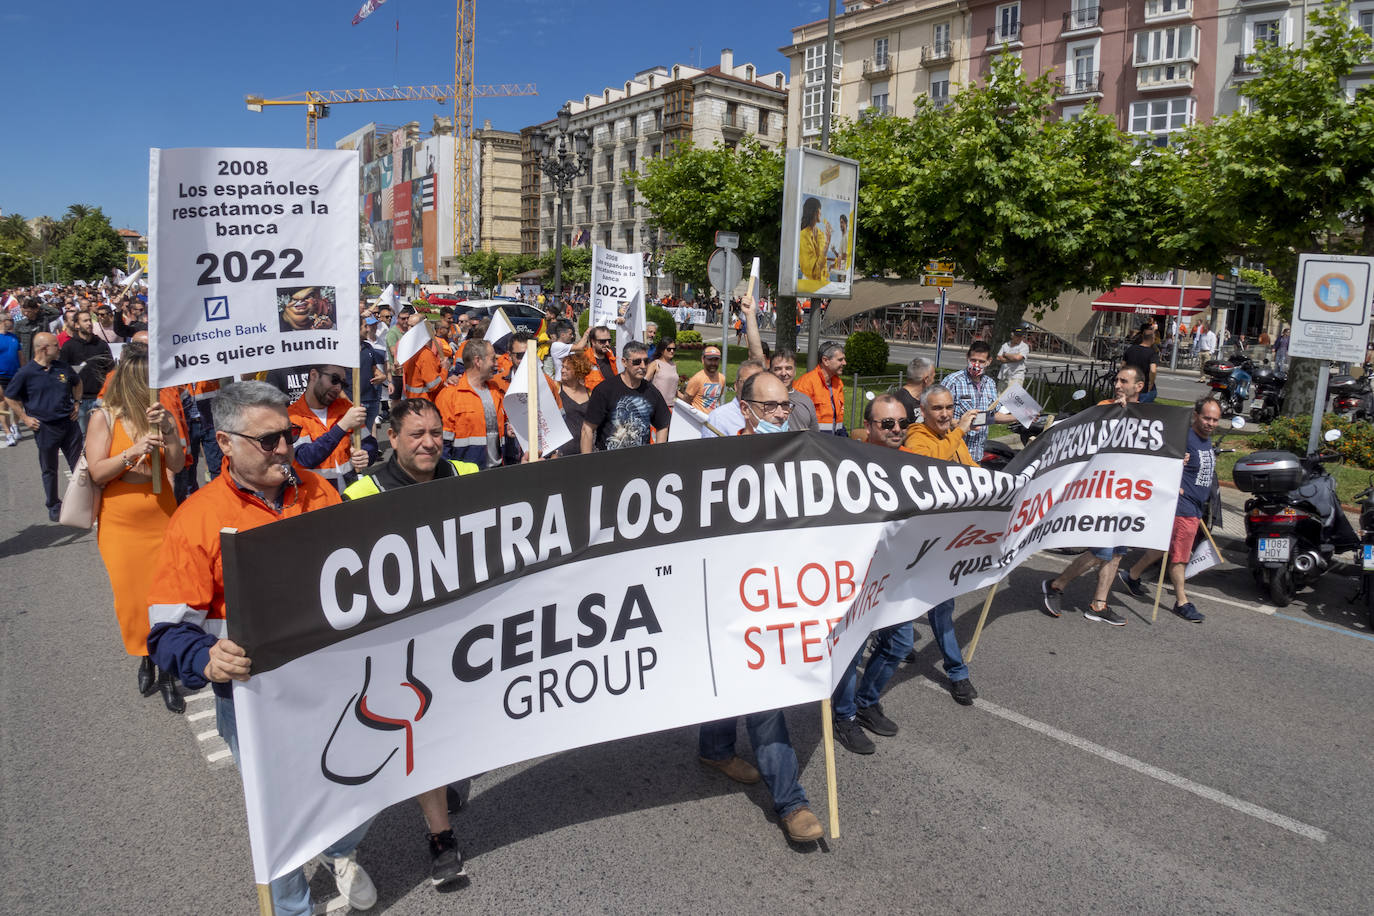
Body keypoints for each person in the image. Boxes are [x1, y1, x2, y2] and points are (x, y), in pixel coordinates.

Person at [146, 382, 378, 915]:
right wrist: (206, 658)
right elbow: (166, 630)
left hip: (334, 677)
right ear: (224, 444)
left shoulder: (320, 491)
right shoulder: (196, 518)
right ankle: (293, 905)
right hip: (252, 693)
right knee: (275, 807)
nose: (284, 449)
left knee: (365, 770)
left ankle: (337, 848)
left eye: (289, 435)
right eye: (268, 439)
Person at [342, 399, 477, 886]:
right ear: (392, 439)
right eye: (417, 434)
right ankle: (441, 836)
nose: (429, 442)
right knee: (421, 730)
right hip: (403, 642)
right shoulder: (362, 492)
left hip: (464, 629)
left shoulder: (466, 473)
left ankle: (446, 776)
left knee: (458, 721)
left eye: (436, 432)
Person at [698, 369, 824, 844]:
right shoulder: (719, 457)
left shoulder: (800, 454)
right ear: (745, 407)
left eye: (784, 405)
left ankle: (715, 749)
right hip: (728, 594)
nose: (778, 414)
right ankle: (791, 802)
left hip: (774, 595)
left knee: (741, 682)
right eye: (769, 406)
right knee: (756, 692)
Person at [83, 349, 184, 711]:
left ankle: (169, 669)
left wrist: (169, 431)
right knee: (133, 600)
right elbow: (97, 471)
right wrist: (134, 451)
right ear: (132, 382)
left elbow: (176, 464)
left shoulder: (161, 416)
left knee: (167, 598)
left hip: (162, 516)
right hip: (121, 525)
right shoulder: (104, 417)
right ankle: (146, 657)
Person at [830, 395, 920, 753]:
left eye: (902, 423)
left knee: (900, 643)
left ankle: (865, 702)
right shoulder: (848, 465)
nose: (896, 429)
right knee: (850, 653)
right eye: (887, 424)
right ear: (869, 426)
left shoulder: (914, 464)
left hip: (895, 574)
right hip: (858, 579)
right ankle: (844, 716)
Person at [1039, 365, 1147, 627]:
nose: (1118, 385)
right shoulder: (1105, 406)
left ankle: (1099, 605)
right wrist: (1116, 412)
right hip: (1102, 491)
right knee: (1102, 551)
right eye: (1117, 380)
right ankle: (1056, 585)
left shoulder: (1146, 413)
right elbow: (1091, 439)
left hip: (1127, 491)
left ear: (1139, 387)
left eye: (1124, 381)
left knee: (1118, 551)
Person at [901, 385, 982, 705]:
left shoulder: (952, 437)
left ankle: (954, 670)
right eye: (938, 409)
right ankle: (957, 671)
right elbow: (929, 466)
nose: (946, 414)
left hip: (948, 538)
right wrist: (959, 432)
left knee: (940, 605)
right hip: (920, 538)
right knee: (916, 599)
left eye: (949, 407)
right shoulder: (917, 436)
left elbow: (971, 472)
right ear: (923, 411)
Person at [1117, 398, 1221, 623]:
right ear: (1195, 415)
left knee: (1163, 547)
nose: (1210, 423)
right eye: (1206, 418)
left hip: (1195, 506)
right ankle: (1182, 601)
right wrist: (1175, 476)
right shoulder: (1185, 438)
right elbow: (1160, 459)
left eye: (1215, 419)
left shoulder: (1206, 440)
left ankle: (1132, 575)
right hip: (1182, 507)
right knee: (1180, 556)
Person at [4, 332, 82, 520]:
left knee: (79, 466)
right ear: (44, 348)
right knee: (49, 468)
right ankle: (54, 504)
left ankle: (82, 501)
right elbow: (9, 396)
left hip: (68, 424)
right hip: (45, 427)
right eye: (56, 345)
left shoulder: (62, 367)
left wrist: (77, 402)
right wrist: (24, 417)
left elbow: (77, 383)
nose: (60, 348)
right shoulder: (26, 372)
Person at [288, 365, 371, 492]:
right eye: (334, 379)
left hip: (351, 491)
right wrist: (342, 426)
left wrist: (365, 454)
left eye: (342, 384)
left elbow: (369, 443)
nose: (338, 388)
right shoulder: (292, 416)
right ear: (314, 375)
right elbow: (306, 457)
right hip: (316, 496)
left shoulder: (345, 407)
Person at [581, 340, 669, 452]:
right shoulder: (604, 390)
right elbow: (587, 429)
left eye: (646, 361)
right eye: (637, 362)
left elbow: (662, 425)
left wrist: (658, 454)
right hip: (608, 463)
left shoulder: (651, 391)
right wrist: (586, 465)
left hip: (640, 464)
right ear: (624, 362)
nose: (643, 366)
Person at [435, 338, 509, 469]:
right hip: (466, 477)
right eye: (493, 359)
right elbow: (441, 445)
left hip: (498, 471)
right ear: (478, 361)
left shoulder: (496, 390)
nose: (496, 364)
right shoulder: (450, 395)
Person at [942, 341, 1015, 462]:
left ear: (989, 361)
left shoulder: (990, 383)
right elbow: (937, 416)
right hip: (954, 455)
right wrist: (962, 424)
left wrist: (1018, 417)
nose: (976, 365)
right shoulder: (952, 381)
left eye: (981, 362)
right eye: (973, 360)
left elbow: (992, 415)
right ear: (967, 358)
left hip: (977, 454)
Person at [58, 308, 114, 436]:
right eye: (85, 321)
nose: (89, 323)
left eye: (90, 320)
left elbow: (111, 370)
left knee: (104, 434)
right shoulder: (69, 347)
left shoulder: (101, 345)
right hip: (80, 401)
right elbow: (62, 375)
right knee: (82, 435)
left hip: (100, 398)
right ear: (77, 325)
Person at [700, 359, 766, 438]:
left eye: (757, 382)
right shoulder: (718, 418)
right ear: (736, 386)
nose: (752, 387)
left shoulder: (773, 414)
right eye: (746, 382)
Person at [793, 341, 847, 434]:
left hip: (833, 441)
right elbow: (797, 421)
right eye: (840, 360)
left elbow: (837, 418)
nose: (844, 363)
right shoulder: (806, 383)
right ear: (825, 360)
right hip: (814, 442)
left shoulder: (838, 383)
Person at [768, 349, 819, 432]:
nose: (783, 373)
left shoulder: (806, 401)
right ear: (770, 372)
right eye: (778, 369)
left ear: (795, 371)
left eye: (788, 368)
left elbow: (815, 435)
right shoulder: (762, 400)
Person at [556, 352, 594, 457]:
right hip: (562, 453)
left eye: (567, 369)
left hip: (585, 451)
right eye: (563, 367)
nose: (562, 370)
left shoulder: (589, 392)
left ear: (578, 372)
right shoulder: (556, 388)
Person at [796, 197, 831, 294]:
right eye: (819, 209)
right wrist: (826, 246)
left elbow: (822, 264)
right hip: (809, 284)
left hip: (823, 283)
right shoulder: (803, 235)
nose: (821, 213)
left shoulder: (820, 234)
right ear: (814, 211)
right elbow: (812, 270)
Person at [1121, 325, 1160, 403]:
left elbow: (1123, 366)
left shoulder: (1130, 349)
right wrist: (1151, 384)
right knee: (1143, 410)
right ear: (1152, 339)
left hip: (1130, 385)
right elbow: (1153, 370)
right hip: (1144, 387)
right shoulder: (1152, 353)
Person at [892, 356, 935, 424]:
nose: (933, 381)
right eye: (933, 377)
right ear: (926, 379)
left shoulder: (922, 398)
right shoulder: (902, 402)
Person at [685, 346, 726, 412]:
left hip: (714, 420)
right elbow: (686, 401)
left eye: (716, 360)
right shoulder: (696, 379)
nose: (713, 363)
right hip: (698, 420)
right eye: (710, 360)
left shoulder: (722, 378)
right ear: (703, 360)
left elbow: (717, 399)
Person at [0, 313, 20, 446]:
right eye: (10, 320)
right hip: (1, 376)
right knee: (3, 404)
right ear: (2, 321)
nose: (13, 322)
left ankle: (15, 426)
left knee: (19, 403)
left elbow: (20, 356)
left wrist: (24, 371)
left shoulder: (14, 337)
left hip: (16, 375)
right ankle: (7, 433)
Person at [645, 337, 680, 407]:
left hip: (672, 406)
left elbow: (673, 388)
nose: (672, 351)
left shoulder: (674, 365)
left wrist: (687, 398)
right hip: (657, 406)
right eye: (669, 349)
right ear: (661, 350)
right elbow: (645, 382)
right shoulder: (655, 364)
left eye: (674, 349)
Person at [996, 325, 1031, 393]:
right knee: (999, 398)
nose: (1019, 338)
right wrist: (1012, 359)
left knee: (1012, 398)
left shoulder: (1024, 346)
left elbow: (1017, 358)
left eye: (1021, 336)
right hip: (1003, 376)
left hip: (1016, 376)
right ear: (1012, 335)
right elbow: (998, 357)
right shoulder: (1005, 345)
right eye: (1017, 336)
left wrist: (1005, 354)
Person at [582, 324, 618, 390]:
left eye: (609, 341)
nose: (607, 344)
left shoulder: (613, 355)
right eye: (603, 341)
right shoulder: (583, 360)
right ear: (593, 342)